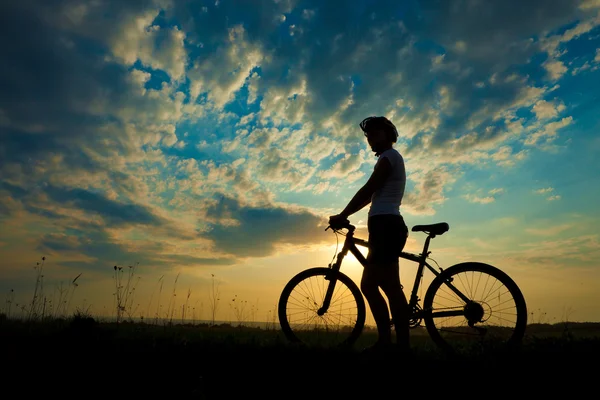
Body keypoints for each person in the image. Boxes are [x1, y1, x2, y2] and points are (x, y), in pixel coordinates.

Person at [329, 116, 409, 353]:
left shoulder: (389, 158)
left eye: (374, 134)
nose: (370, 139)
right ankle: (398, 346)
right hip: (384, 225)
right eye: (368, 136)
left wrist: (343, 214)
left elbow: (369, 187)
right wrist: (346, 214)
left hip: (385, 226)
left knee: (372, 285)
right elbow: (368, 197)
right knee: (388, 286)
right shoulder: (389, 159)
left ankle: (390, 343)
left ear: (387, 134)